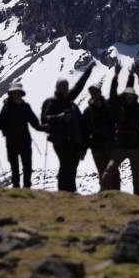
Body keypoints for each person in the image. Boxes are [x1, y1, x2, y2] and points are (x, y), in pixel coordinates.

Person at [40, 63, 94, 192]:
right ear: (57, 88)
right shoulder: (51, 102)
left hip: (73, 141)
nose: (65, 89)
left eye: (66, 86)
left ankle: (70, 192)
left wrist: (88, 70)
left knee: (73, 165)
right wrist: (60, 117)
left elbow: (79, 87)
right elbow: (45, 118)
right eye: (62, 86)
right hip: (60, 140)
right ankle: (64, 192)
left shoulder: (69, 100)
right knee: (65, 165)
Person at [102, 64, 139, 195]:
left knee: (138, 179)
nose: (129, 98)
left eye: (131, 96)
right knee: (108, 172)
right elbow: (112, 93)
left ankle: (138, 204)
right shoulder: (119, 107)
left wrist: (138, 76)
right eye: (127, 96)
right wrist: (116, 76)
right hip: (120, 147)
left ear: (134, 97)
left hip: (135, 147)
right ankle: (102, 197)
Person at [0, 80, 43, 188]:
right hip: (12, 141)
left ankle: (26, 187)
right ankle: (16, 187)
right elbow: (0, 122)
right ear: (12, 94)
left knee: (27, 166)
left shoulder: (23, 106)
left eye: (18, 92)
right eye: (15, 92)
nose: (17, 94)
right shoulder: (7, 107)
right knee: (15, 167)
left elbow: (34, 122)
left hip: (23, 141)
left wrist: (44, 128)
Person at [82, 66, 118, 190]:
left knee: (114, 173)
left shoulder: (108, 107)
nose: (94, 93)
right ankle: (105, 197)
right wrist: (85, 148)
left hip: (110, 145)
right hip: (96, 147)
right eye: (92, 92)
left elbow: (116, 121)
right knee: (102, 172)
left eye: (95, 91)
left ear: (99, 92)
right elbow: (84, 131)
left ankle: (117, 197)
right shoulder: (87, 112)